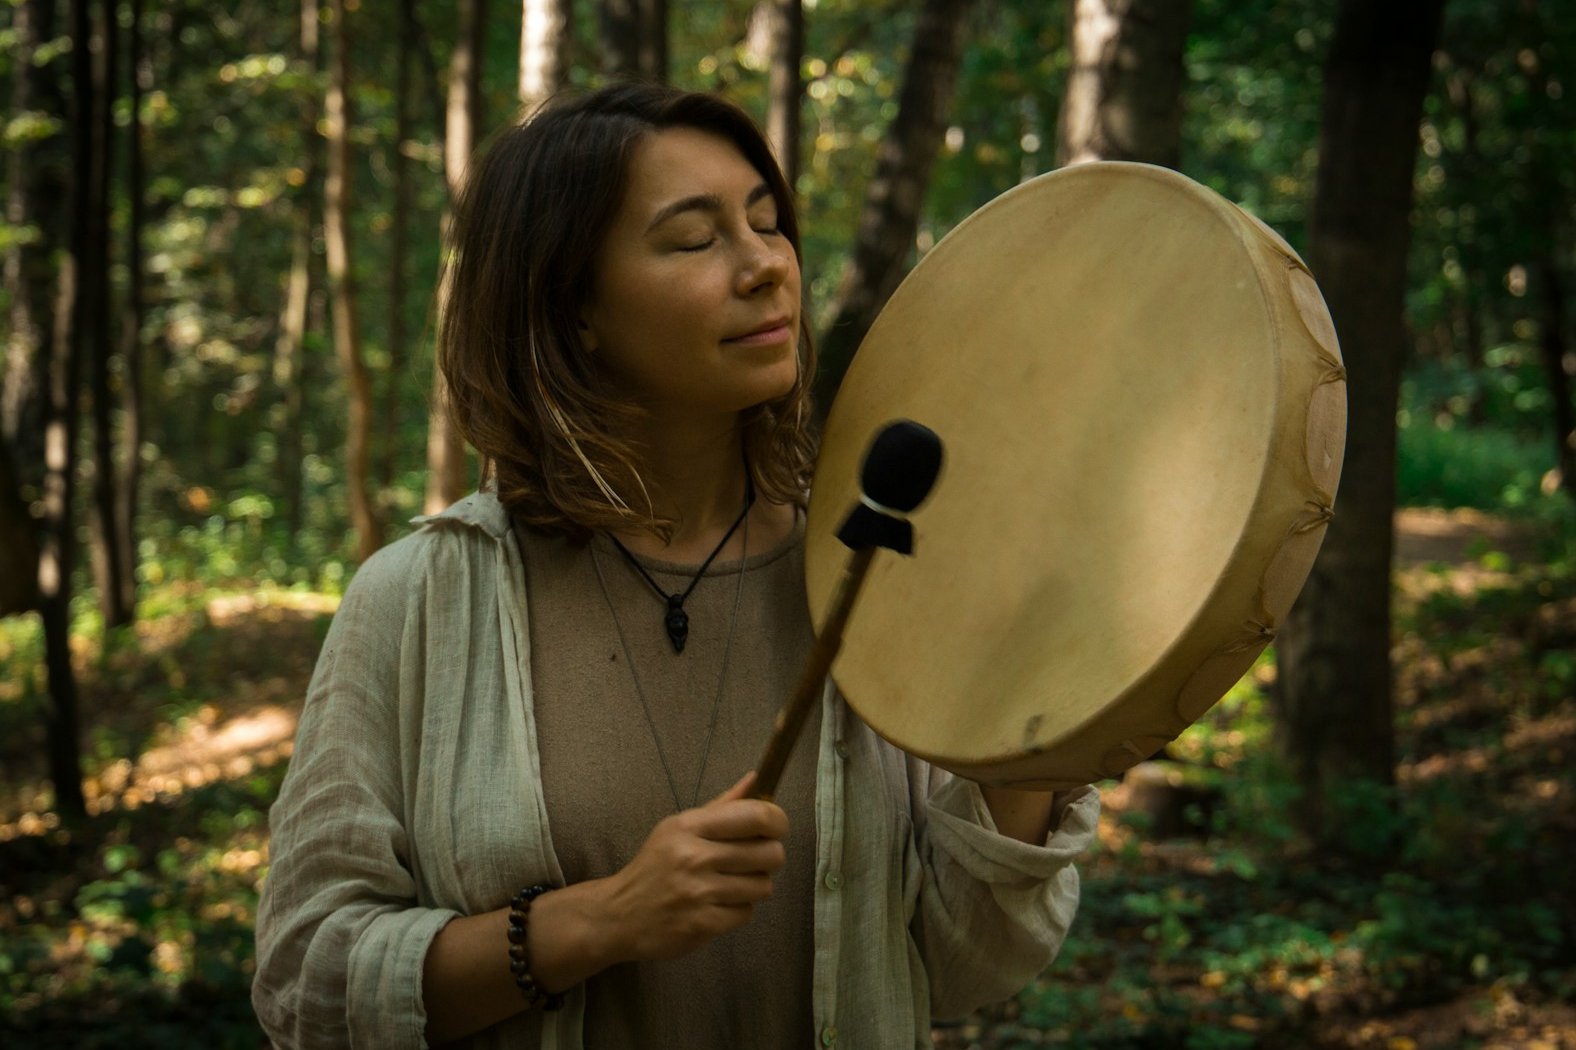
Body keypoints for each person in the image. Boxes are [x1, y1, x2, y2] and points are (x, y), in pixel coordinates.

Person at [251, 82, 1098, 1050]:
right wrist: (598, 922)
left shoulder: (866, 575)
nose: (764, 267)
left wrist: (1035, 747)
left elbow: (962, 969)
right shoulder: (420, 603)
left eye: (767, 223)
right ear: (572, 308)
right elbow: (304, 982)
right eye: (695, 240)